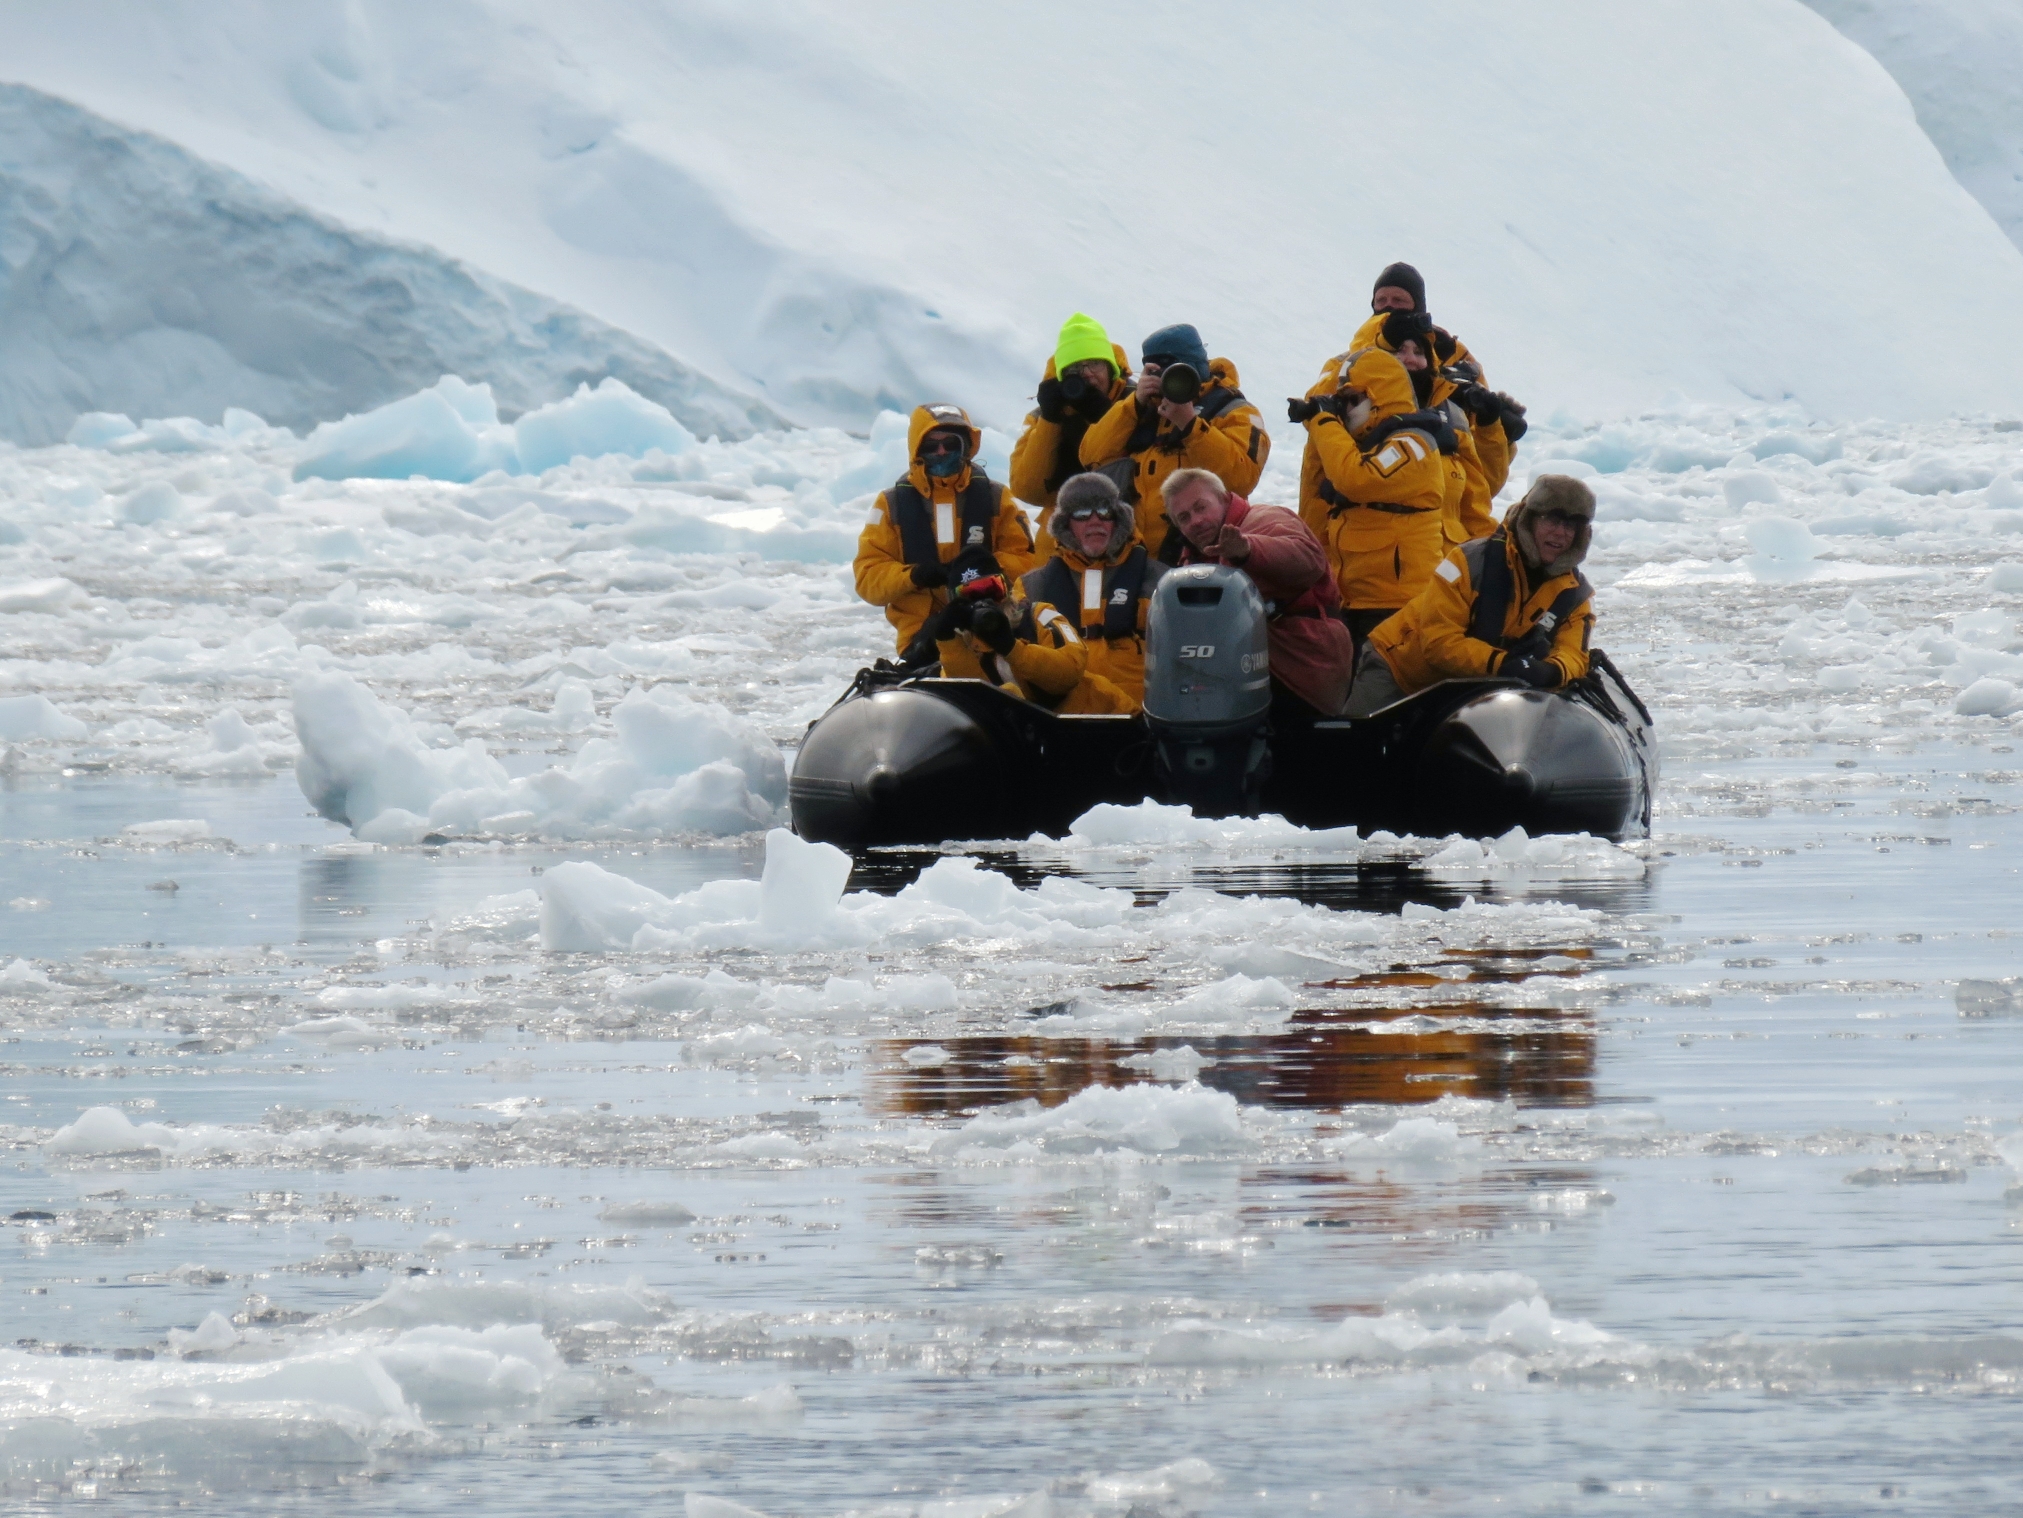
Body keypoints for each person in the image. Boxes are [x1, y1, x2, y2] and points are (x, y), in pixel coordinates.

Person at [1344, 475, 1596, 716]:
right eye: (1552, 521)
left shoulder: (1575, 596)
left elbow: (1574, 655)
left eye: (1571, 525)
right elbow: (1438, 642)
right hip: (1400, 673)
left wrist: (1550, 672)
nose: (1560, 533)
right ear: (1529, 520)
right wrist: (1505, 664)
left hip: (1477, 694)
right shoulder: (1468, 561)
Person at [1290, 343, 1454, 650]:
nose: (1348, 410)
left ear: (1380, 394)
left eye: (1353, 400)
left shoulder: (1413, 444)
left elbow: (1357, 480)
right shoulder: (1366, 446)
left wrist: (1324, 421)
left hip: (1398, 604)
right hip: (1357, 601)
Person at [1162, 467, 1354, 720]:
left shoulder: (1266, 519)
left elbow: (1310, 560)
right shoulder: (1192, 563)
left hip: (1300, 666)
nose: (1196, 521)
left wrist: (1247, 550)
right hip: (1236, 676)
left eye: (1201, 507)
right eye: (1184, 517)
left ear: (1223, 499)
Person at [853, 404, 1037, 659]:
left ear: (965, 446)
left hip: (992, 630)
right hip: (920, 638)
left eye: (951, 443)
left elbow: (1028, 563)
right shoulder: (891, 505)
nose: (941, 451)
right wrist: (914, 575)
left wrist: (986, 571)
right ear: (917, 449)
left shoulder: (996, 498)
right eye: (931, 445)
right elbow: (868, 579)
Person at [1078, 323, 1268, 564]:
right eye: (1158, 370)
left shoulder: (1233, 411)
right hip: (1136, 560)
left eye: (1175, 370)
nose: (1169, 379)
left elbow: (1241, 477)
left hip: (1204, 553)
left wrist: (1190, 425)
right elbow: (1090, 457)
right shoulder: (1139, 410)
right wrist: (1133, 404)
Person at [1357, 262, 1528, 497]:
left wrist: (1498, 429)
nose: (1389, 307)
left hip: (1448, 490)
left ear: (1418, 306)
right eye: (1381, 301)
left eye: (1399, 301)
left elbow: (1483, 483)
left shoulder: (1452, 353)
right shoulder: (1362, 355)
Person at [1009, 472, 1164, 713]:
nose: (1094, 521)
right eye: (1081, 514)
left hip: (1140, 719)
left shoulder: (1161, 581)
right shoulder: (1029, 587)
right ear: (1065, 524)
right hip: (1061, 721)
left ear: (1118, 519)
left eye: (1104, 512)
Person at [1008, 313, 1134, 556]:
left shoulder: (1135, 406)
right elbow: (1028, 490)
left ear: (1111, 368)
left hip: (1126, 543)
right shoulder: (1046, 415)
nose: (1086, 374)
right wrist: (1050, 420)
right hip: (1060, 549)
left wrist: (1107, 418)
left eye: (1094, 363)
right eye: (1075, 368)